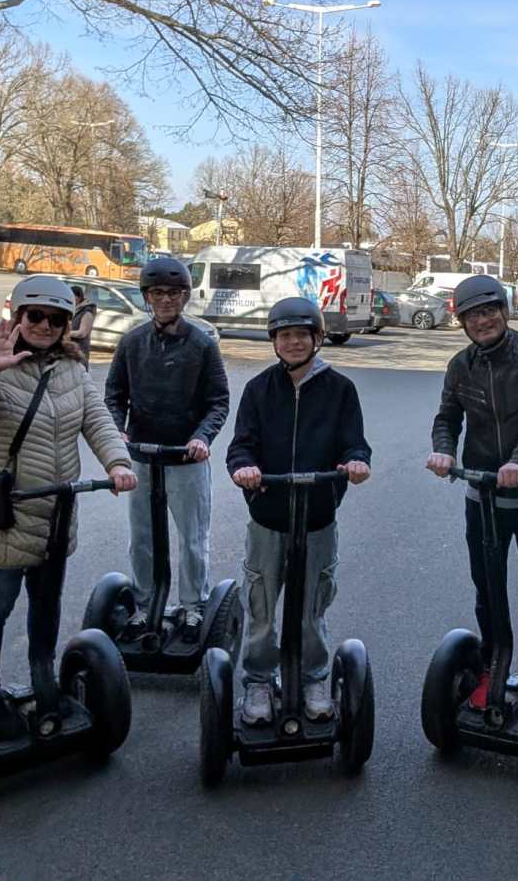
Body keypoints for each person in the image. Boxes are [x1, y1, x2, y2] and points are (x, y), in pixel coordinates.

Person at [0, 275, 138, 738]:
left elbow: (98, 420)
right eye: (36, 315)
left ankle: (43, 680)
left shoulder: (73, 370)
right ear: (19, 317)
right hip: (3, 511)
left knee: (46, 605)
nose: (45, 325)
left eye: (56, 318)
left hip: (54, 513)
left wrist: (118, 463)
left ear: (67, 323)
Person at [426, 275, 518, 722]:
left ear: (504, 312)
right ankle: (493, 665)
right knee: (487, 591)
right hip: (482, 497)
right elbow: (447, 416)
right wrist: (444, 450)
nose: (482, 320)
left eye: (489, 311)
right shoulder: (460, 365)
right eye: (472, 315)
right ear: (462, 322)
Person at [226, 297, 371, 725]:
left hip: (317, 517)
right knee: (262, 607)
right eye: (284, 335)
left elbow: (354, 443)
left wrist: (357, 462)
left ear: (317, 339)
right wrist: (244, 468)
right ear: (274, 341)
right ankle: (257, 680)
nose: (292, 342)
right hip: (268, 515)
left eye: (300, 335)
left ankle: (313, 677)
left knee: (311, 610)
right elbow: (242, 444)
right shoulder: (258, 389)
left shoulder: (340, 389)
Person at [105, 256, 230, 636]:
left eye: (173, 293)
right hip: (142, 455)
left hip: (186, 458)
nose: (165, 300)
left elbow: (218, 401)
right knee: (142, 539)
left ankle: (193, 607)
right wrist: (118, 432)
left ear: (185, 297)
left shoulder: (202, 345)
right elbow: (114, 397)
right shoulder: (132, 343)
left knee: (193, 540)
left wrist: (202, 437)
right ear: (146, 297)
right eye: (157, 293)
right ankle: (145, 606)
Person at [68, 283, 97, 367]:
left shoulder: (87, 312)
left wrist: (64, 333)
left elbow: (82, 333)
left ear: (78, 297)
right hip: (70, 349)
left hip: (81, 350)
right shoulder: (73, 310)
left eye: (72, 297)